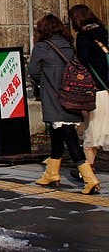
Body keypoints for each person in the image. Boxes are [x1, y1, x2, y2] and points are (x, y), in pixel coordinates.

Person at [28, 13, 98, 193]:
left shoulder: (42, 47)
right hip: (71, 96)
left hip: (53, 97)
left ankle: (89, 178)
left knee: (69, 139)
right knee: (56, 135)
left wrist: (44, 80)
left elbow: (33, 71)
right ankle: (52, 173)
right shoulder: (68, 45)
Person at [69, 4, 109, 178]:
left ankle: (87, 170)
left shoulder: (83, 39)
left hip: (98, 90)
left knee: (93, 130)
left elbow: (83, 65)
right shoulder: (104, 32)